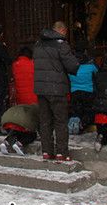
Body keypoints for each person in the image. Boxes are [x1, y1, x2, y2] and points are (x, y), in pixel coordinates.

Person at [33, 21, 79, 161]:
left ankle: (46, 151)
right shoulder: (61, 44)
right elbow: (72, 65)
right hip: (57, 88)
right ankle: (61, 153)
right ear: (62, 30)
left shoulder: (38, 44)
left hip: (41, 89)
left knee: (45, 121)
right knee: (60, 121)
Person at [68, 41, 98, 134]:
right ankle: (84, 124)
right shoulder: (90, 64)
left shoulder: (70, 63)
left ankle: (74, 125)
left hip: (74, 91)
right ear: (85, 51)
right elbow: (97, 74)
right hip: (88, 91)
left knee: (76, 111)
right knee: (88, 110)